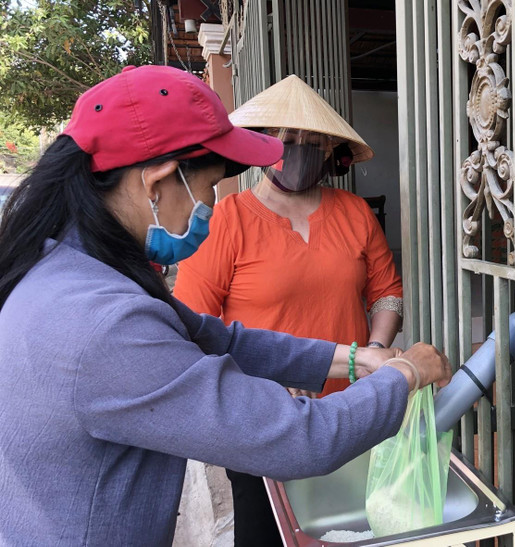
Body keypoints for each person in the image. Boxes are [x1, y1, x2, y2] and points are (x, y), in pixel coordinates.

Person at [0, 65, 451, 546]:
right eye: (209, 185)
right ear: (157, 182)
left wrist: (359, 358)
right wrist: (406, 374)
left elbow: (222, 337)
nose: (211, 204)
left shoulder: (70, 273)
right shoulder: (104, 324)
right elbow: (302, 441)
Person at [173, 75, 404, 545]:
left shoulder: (355, 213)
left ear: (328, 151)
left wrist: (375, 354)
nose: (295, 150)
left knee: (345, 529)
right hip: (262, 421)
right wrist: (259, 381)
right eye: (283, 139)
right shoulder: (226, 222)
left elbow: (387, 292)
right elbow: (193, 327)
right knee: (266, 533)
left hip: (352, 410)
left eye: (308, 141)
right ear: (258, 147)